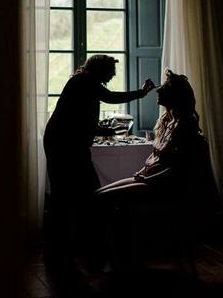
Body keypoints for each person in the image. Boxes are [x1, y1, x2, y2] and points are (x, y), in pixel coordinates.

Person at [93, 69, 217, 274]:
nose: (158, 90)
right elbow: (158, 158)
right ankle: (117, 254)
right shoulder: (168, 121)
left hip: (165, 185)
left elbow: (178, 169)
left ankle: (118, 257)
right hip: (150, 177)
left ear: (175, 97)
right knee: (98, 195)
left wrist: (146, 177)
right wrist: (142, 172)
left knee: (104, 200)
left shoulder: (185, 127)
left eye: (164, 88)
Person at [42, 54, 155, 264]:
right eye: (111, 71)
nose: (113, 75)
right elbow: (110, 98)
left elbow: (77, 117)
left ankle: (66, 247)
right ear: (101, 69)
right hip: (65, 144)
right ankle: (79, 248)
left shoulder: (82, 81)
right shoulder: (86, 81)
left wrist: (100, 129)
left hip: (64, 141)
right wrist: (141, 93)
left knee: (68, 192)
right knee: (80, 191)